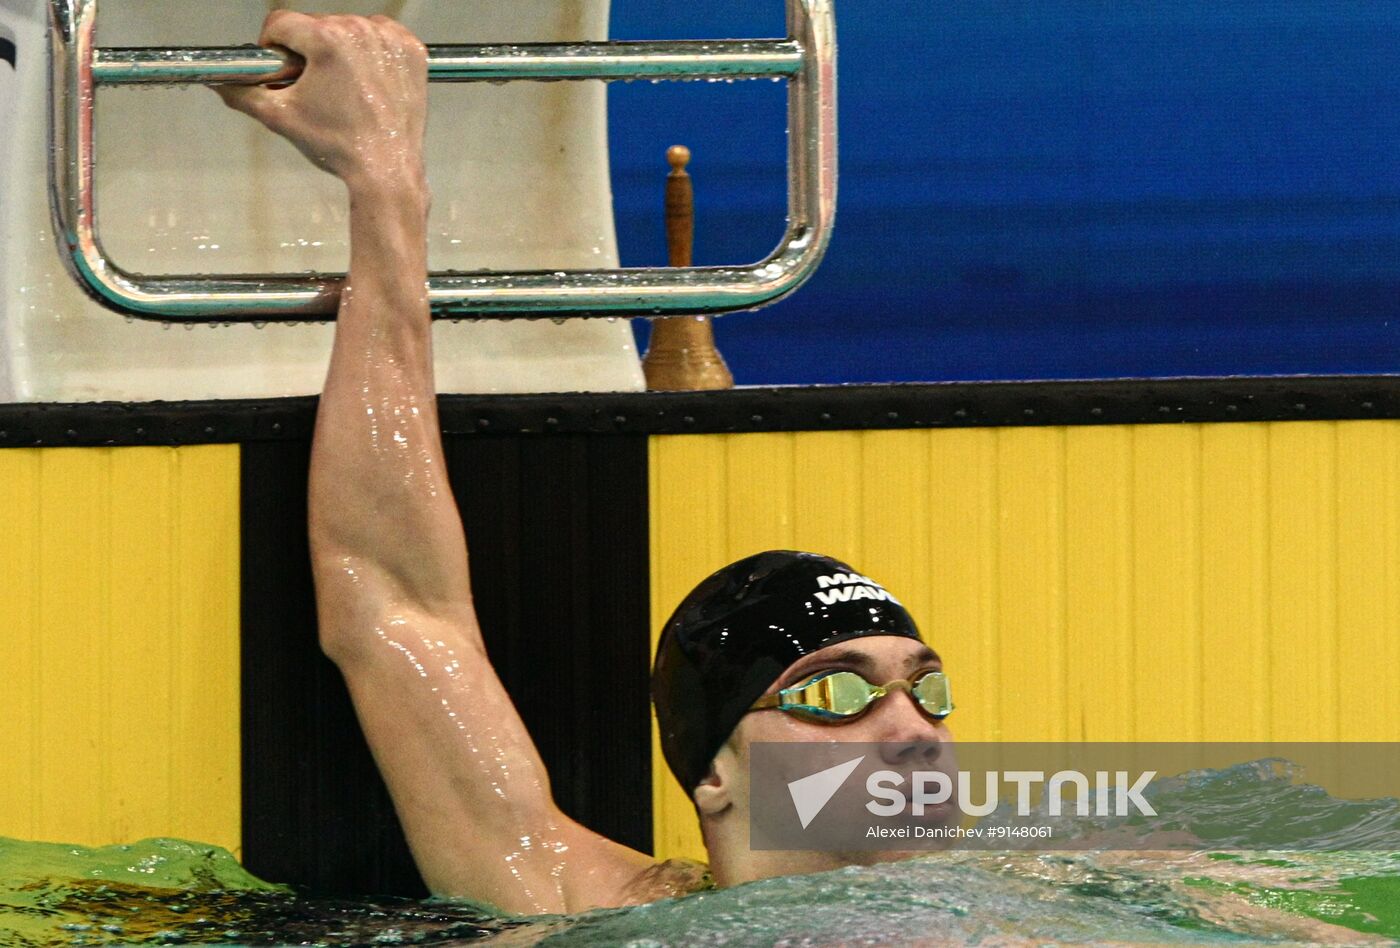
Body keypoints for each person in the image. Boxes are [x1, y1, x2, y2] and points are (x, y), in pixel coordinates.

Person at [215, 11, 951, 917]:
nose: (912, 729)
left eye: (928, 690)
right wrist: (386, 179)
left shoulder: (1038, 907)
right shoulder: (578, 900)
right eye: (836, 692)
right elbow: (396, 606)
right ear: (714, 772)